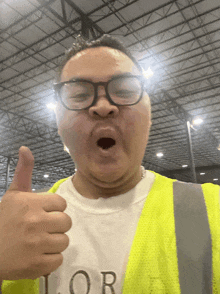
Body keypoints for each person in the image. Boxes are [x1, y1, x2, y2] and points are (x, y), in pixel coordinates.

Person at [0, 34, 219, 294]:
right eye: (80, 95)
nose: (103, 106)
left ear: (149, 118)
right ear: (59, 122)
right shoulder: (15, 226)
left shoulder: (212, 210)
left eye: (124, 91)